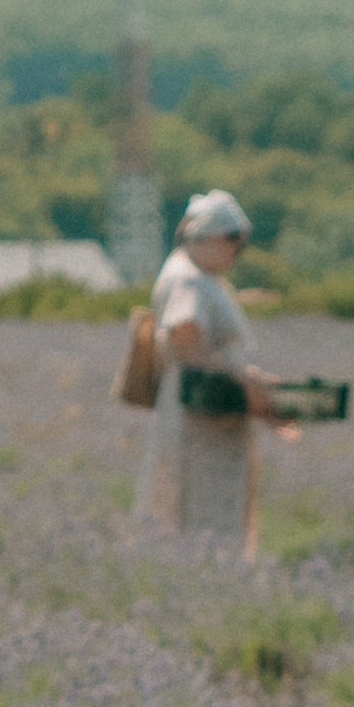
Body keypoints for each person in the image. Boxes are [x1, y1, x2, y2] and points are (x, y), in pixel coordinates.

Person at [136, 186, 280, 559]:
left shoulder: (200, 275)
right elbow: (187, 338)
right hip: (198, 412)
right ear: (210, 238)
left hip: (209, 410)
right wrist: (245, 381)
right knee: (200, 510)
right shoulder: (188, 278)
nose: (237, 251)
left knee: (211, 508)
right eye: (234, 241)